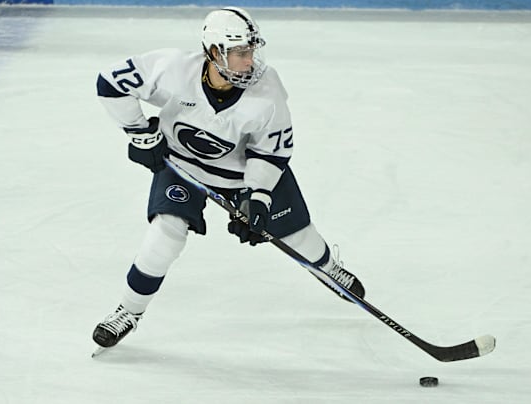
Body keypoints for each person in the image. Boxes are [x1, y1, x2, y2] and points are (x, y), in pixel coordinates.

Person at [92, 6, 365, 351]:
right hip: (183, 164)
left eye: (250, 51)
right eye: (239, 53)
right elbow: (110, 83)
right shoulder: (175, 69)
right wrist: (141, 135)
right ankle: (128, 312)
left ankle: (327, 268)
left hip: (243, 175)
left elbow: (270, 152)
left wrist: (258, 198)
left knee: (299, 237)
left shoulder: (267, 92)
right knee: (165, 236)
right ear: (213, 51)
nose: (249, 61)